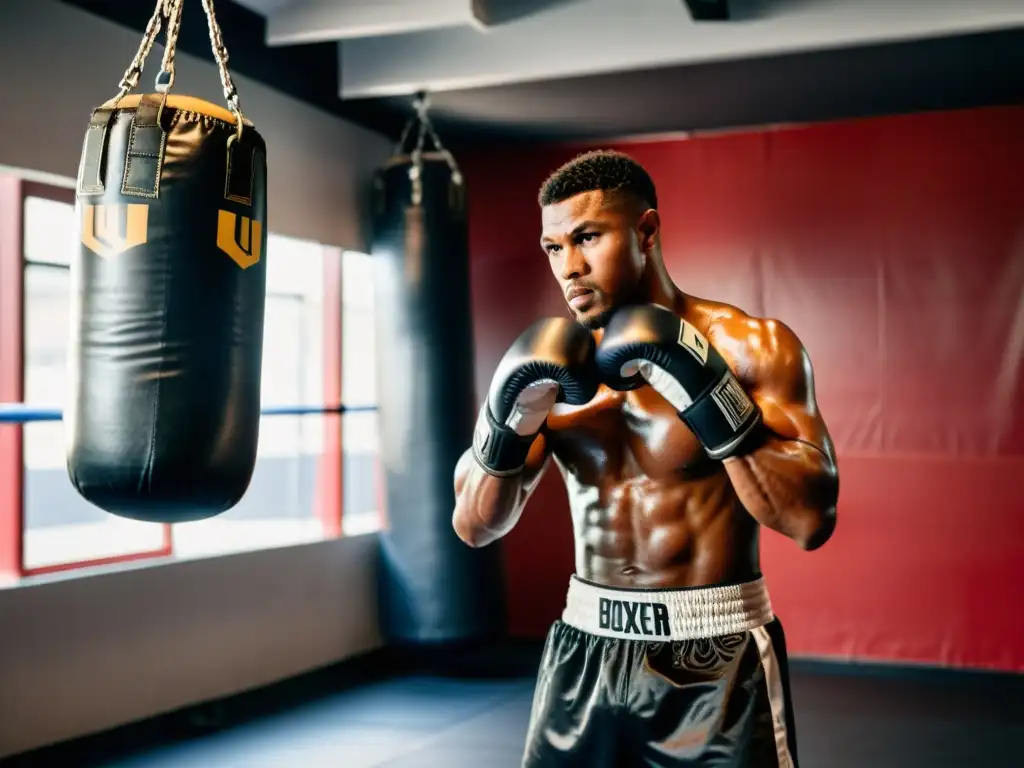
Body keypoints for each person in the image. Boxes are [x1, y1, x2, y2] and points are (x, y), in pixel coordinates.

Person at [452, 149, 839, 767]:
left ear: (647, 231)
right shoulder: (549, 368)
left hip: (712, 657)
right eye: (554, 248)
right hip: (585, 649)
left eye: (586, 238)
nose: (568, 268)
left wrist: (711, 397)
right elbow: (474, 525)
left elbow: (810, 520)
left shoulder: (748, 346)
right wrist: (509, 420)